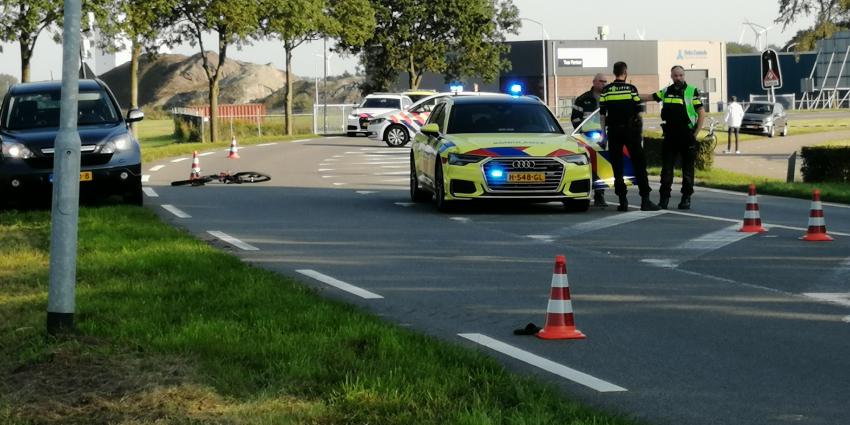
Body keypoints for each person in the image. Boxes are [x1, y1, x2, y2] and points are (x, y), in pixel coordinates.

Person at [599, 62, 660, 212]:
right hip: (631, 132)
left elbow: (602, 115)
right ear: (625, 73)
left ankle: (623, 201)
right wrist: (639, 133)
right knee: (639, 164)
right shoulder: (632, 90)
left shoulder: (606, 91)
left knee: (617, 167)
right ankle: (645, 200)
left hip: (613, 132)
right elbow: (639, 113)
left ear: (614, 73)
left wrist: (603, 134)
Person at [644, 65, 706, 210]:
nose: (678, 78)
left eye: (681, 75)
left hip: (686, 134)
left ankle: (686, 198)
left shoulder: (691, 91)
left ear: (684, 76)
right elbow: (650, 97)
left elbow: (701, 113)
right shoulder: (666, 91)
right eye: (675, 75)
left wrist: (695, 133)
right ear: (671, 76)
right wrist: (632, 95)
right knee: (666, 169)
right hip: (670, 135)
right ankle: (664, 199)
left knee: (687, 170)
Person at [571, 73, 609, 207]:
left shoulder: (609, 98)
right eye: (601, 81)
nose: (604, 84)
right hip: (586, 138)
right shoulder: (583, 99)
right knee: (588, 165)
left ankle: (600, 194)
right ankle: (583, 192)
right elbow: (575, 118)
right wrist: (582, 133)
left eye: (605, 81)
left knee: (602, 167)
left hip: (603, 138)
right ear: (594, 82)